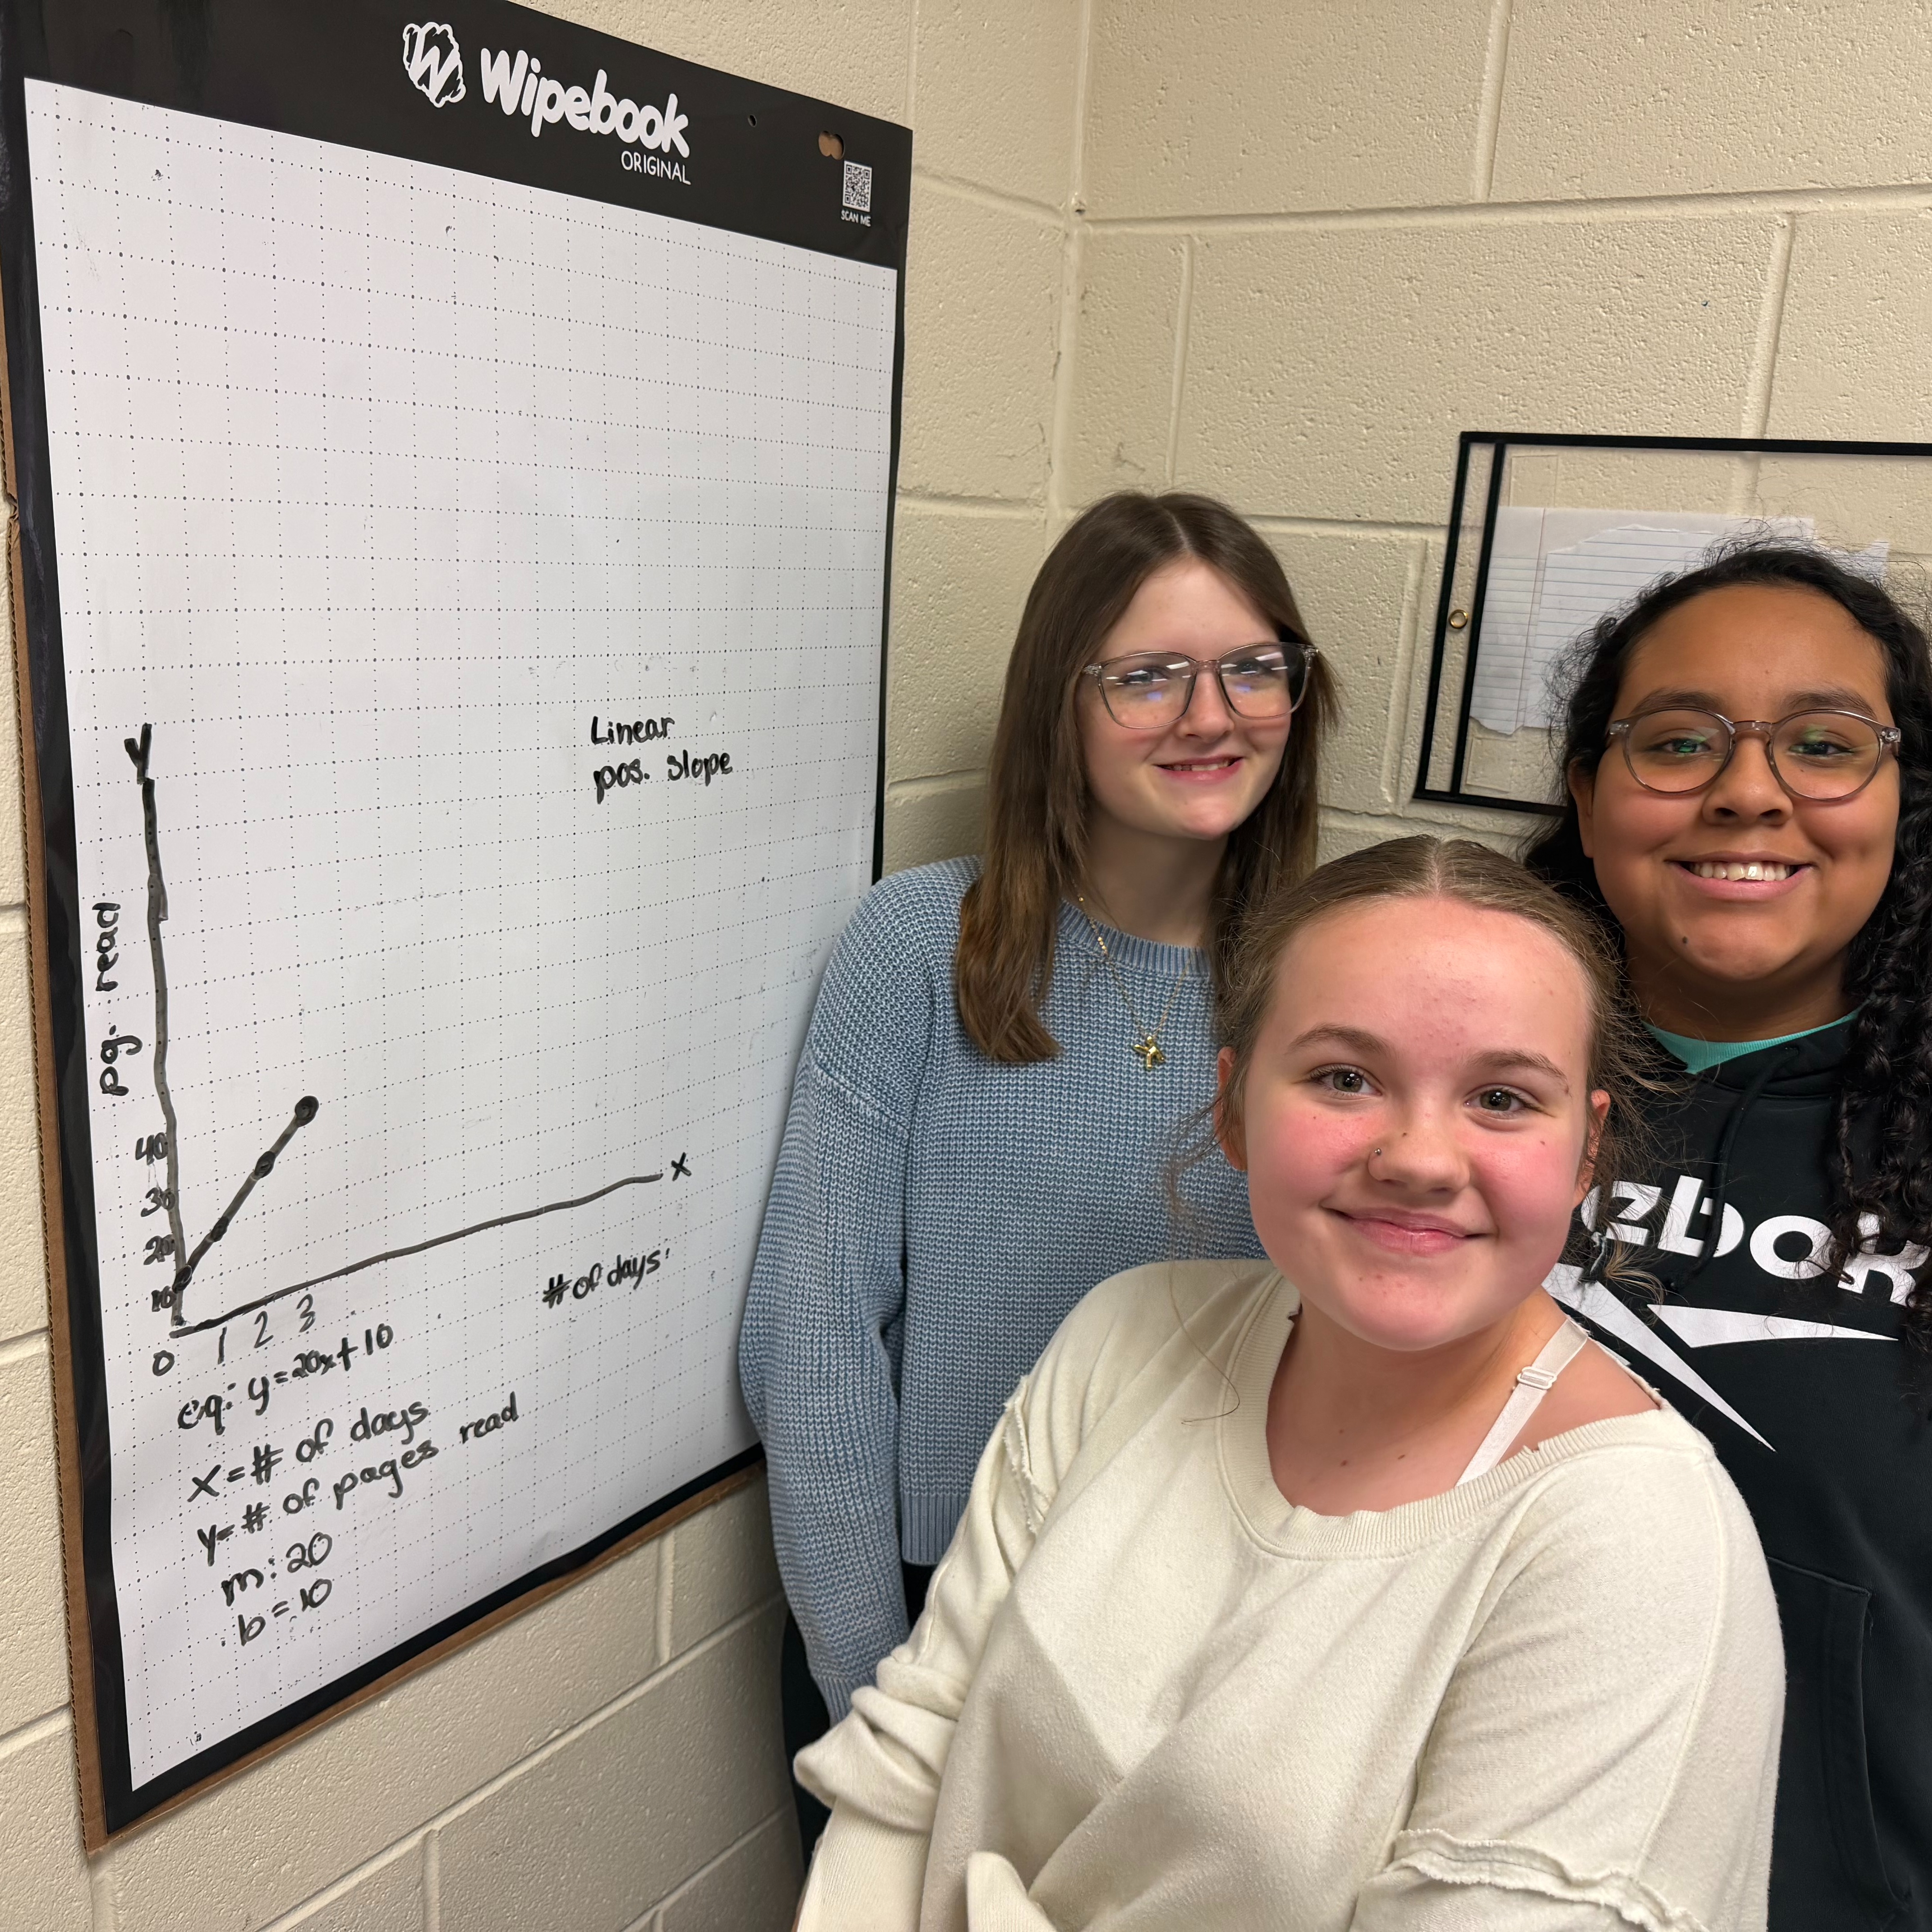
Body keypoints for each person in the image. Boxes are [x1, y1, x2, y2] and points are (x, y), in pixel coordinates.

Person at [793, 836, 1785, 1932]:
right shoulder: (1125, 1339)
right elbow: (912, 1771)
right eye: (1344, 1078)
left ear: (1586, 1153)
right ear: (1233, 1108)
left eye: (1502, 1098)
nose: (1419, 1157)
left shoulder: (1634, 1544)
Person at [739, 491, 1339, 1849]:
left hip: (1222, 1619)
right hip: (938, 1606)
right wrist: (870, 1690)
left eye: (1254, 667)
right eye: (1145, 676)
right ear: (1056, 703)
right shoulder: (919, 949)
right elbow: (813, 1337)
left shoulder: (1332, 973)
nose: (1211, 713)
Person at [1524, 542, 1932, 1930]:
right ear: (1586, 798)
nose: (1748, 789)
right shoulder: (1450, 1095)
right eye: (1678, 739)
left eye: (1824, 743)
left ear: (1902, 804)